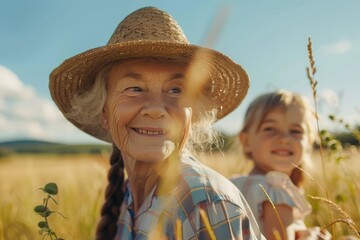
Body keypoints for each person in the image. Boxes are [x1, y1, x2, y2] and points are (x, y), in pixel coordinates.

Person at [49, 6, 264, 240]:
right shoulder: (125, 197)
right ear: (104, 112)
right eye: (135, 89)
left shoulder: (203, 201)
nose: (155, 109)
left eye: (175, 90)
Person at [231, 90, 331, 240]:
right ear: (246, 141)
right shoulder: (275, 189)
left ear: (308, 142)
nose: (285, 139)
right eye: (270, 129)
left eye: (295, 131)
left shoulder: (232, 184)